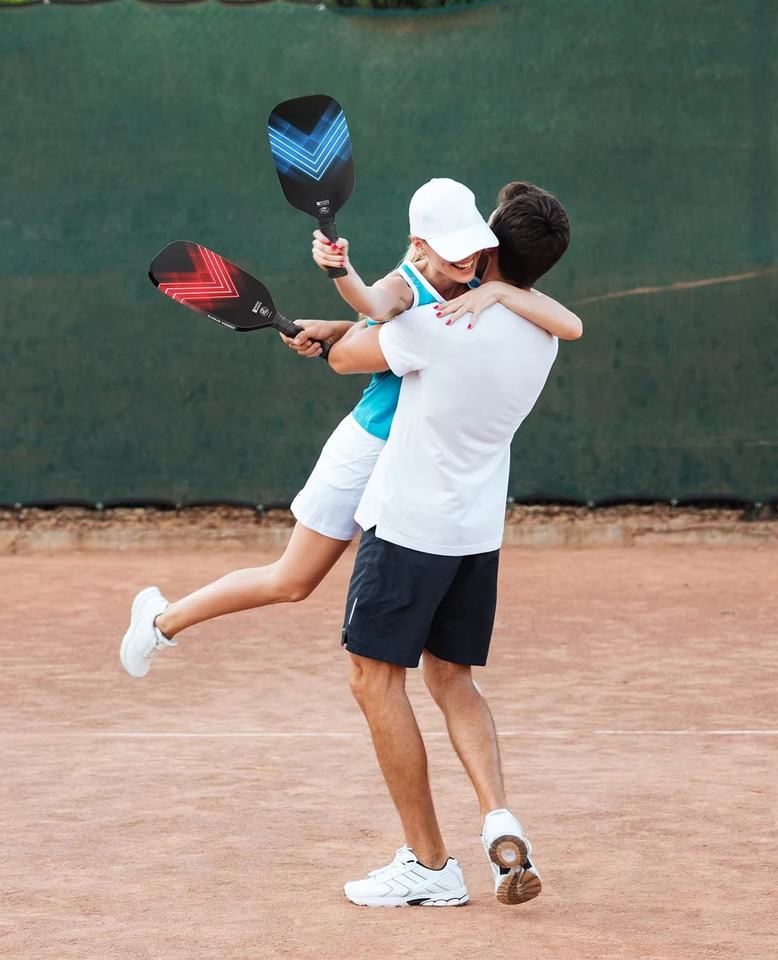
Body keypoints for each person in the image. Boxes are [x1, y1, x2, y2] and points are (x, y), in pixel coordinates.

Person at [119, 179, 580, 679]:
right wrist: (342, 272)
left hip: (419, 463)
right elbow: (376, 307)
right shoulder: (405, 283)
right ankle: (161, 622)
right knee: (292, 581)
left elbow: (569, 324)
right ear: (422, 245)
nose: (466, 255)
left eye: (472, 243)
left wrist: (492, 290)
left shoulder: (479, 280)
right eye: (453, 247)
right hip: (369, 445)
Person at [303, 181, 571, 907]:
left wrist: (335, 324)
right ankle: (499, 818)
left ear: (490, 243)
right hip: (476, 536)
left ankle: (428, 866)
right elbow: (562, 318)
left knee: (373, 680)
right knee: (453, 680)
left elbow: (349, 359)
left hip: (408, 529)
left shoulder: (435, 325)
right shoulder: (543, 334)